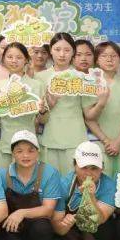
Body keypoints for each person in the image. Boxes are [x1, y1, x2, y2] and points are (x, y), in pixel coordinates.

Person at [48, 141, 118, 240]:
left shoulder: (108, 185)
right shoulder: (64, 184)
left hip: (95, 226)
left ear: (102, 168)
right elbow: (58, 228)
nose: (89, 173)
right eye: (84, 167)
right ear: (75, 166)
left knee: (108, 227)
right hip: (72, 228)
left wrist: (91, 196)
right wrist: (66, 224)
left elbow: (100, 219)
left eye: (94, 168)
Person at [0, 131, 60, 240]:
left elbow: (48, 209)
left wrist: (21, 213)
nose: (25, 155)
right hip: (11, 224)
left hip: (36, 224)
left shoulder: (49, 173)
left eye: (31, 150)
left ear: (38, 152)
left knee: (43, 228)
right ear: (13, 154)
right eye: (19, 151)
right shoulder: (2, 175)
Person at [37, 33, 95, 175]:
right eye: (57, 49)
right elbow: (39, 118)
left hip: (75, 138)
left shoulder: (82, 77)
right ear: (50, 50)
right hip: (49, 138)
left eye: (67, 50)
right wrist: (50, 104)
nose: (62, 54)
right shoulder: (40, 78)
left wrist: (103, 100)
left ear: (73, 52)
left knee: (73, 181)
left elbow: (89, 114)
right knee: (50, 181)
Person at [84, 41, 120, 177]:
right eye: (104, 56)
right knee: (100, 182)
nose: (109, 59)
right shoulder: (89, 83)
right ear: (96, 60)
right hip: (99, 143)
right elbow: (88, 118)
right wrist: (107, 141)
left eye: (114, 56)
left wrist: (118, 141)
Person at [0, 43, 45, 170]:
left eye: (19, 57)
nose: (14, 61)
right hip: (4, 142)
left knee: (28, 179)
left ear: (26, 59)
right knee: (3, 178)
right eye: (9, 57)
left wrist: (43, 111)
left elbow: (43, 120)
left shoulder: (37, 85)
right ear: (3, 59)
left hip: (28, 141)